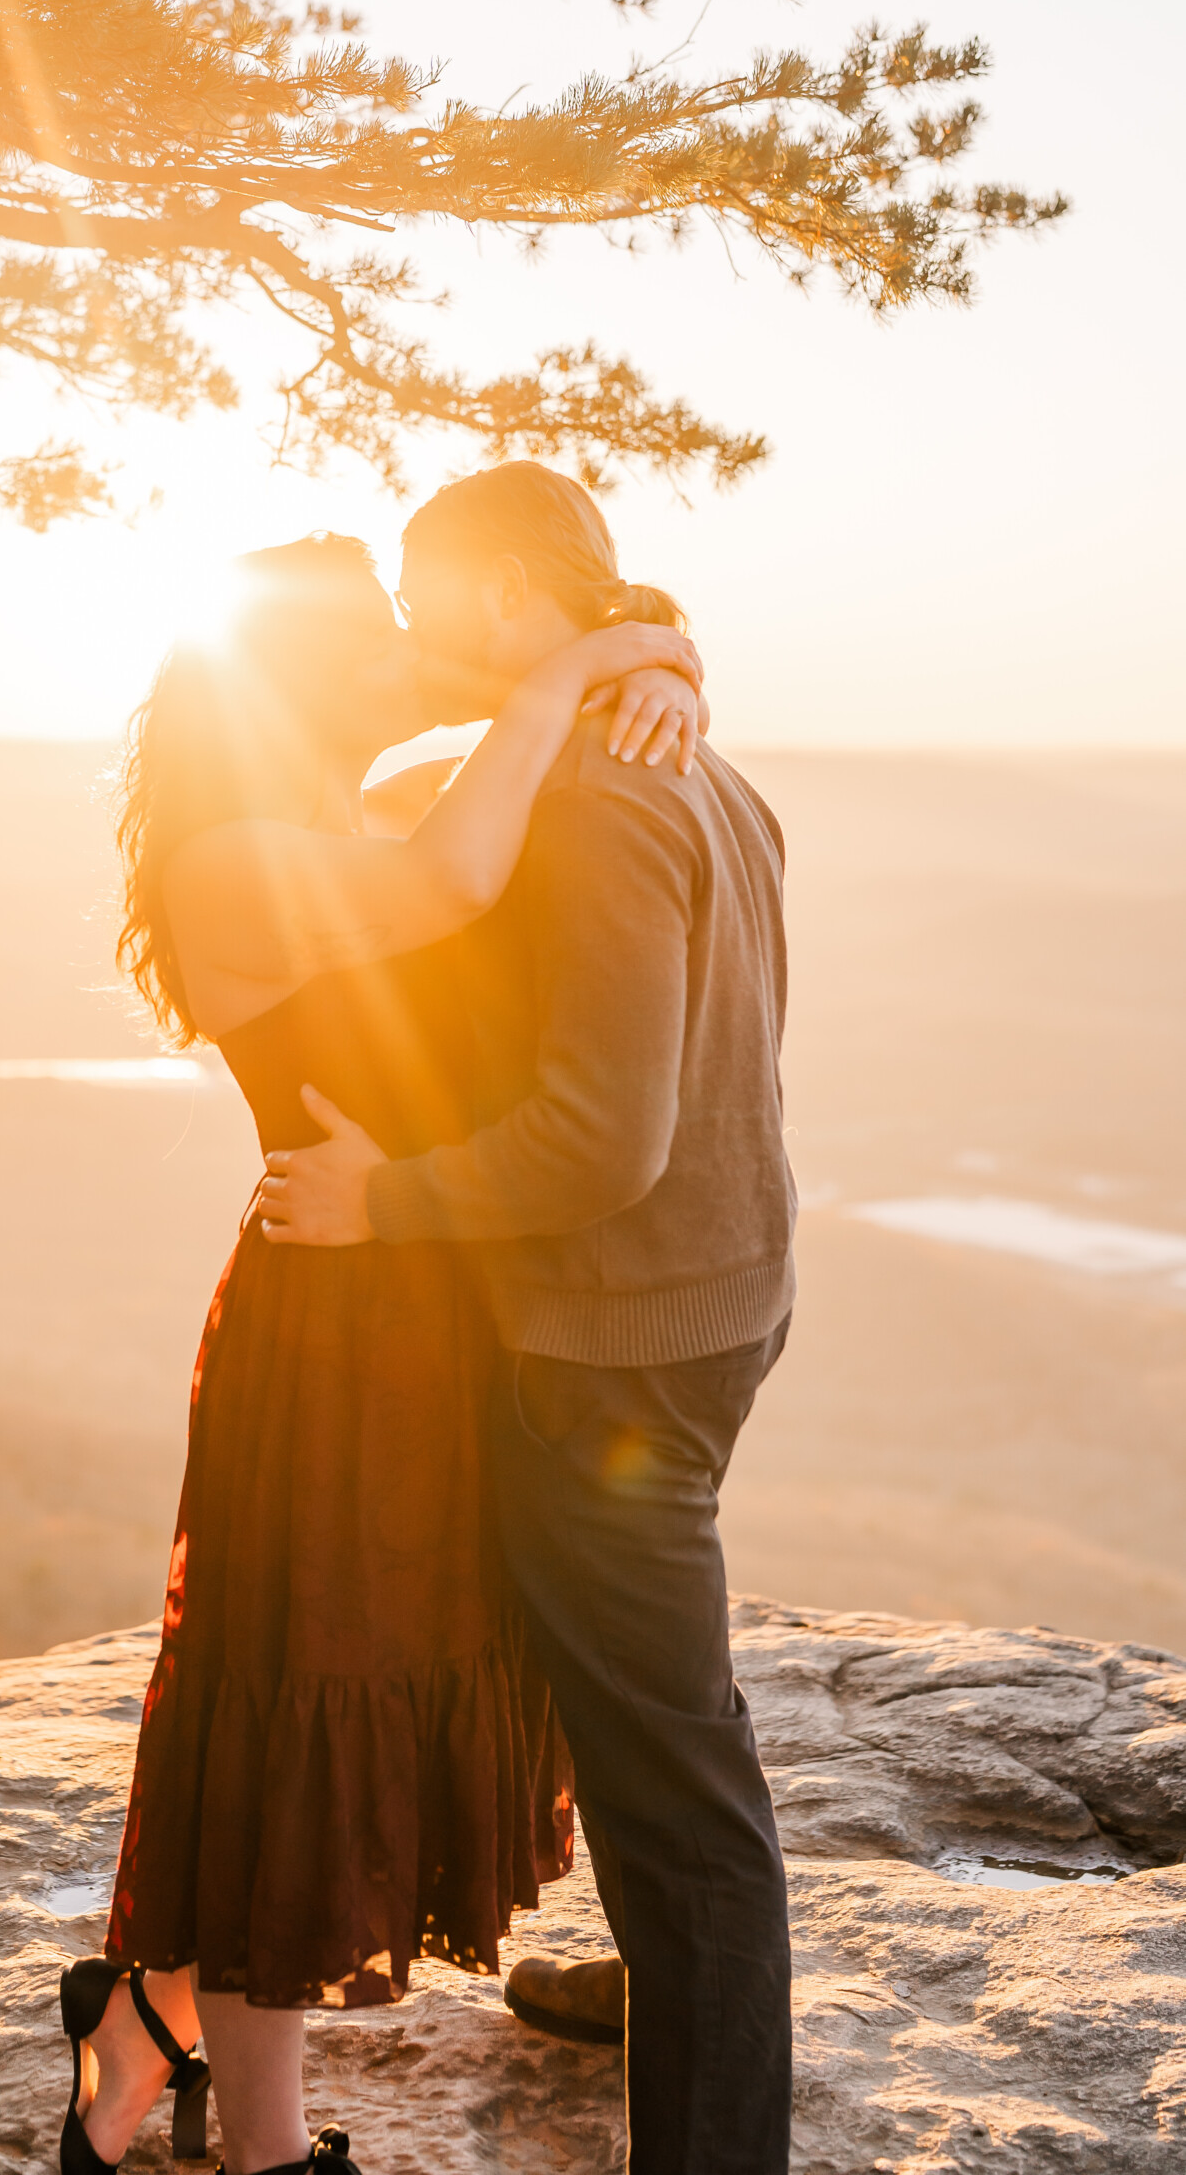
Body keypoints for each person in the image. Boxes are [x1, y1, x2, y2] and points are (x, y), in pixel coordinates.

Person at [59, 532, 707, 2175]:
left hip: (422, 1312)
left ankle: (141, 2028)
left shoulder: (338, 812)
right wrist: (586, 668)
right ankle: (262, 2151)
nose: (402, 661)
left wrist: (662, 656)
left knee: (368, 1681)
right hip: (323, 1339)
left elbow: (503, 678)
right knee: (300, 1706)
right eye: (363, 646)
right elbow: (453, 890)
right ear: (284, 685)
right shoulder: (233, 862)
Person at [263, 464, 797, 2175]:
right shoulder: (693, 759)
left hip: (619, 1343)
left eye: (431, 610)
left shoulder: (595, 798)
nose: (414, 644)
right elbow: (459, 673)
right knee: (621, 1695)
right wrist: (652, 645)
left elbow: (603, 1138)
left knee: (674, 1775)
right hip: (710, 1299)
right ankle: (655, 1978)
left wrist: (384, 1201)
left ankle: (713, 2125)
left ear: (501, 599)